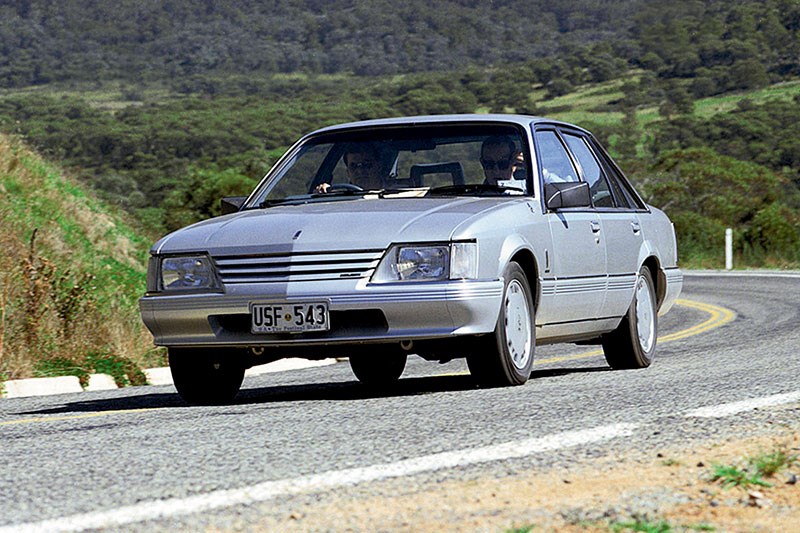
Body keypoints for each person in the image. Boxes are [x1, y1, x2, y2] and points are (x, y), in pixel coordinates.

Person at [315, 143, 386, 193]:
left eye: (366, 165)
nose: (360, 171)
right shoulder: (341, 196)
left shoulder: (395, 193)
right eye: (353, 166)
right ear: (348, 172)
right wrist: (324, 191)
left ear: (378, 167)